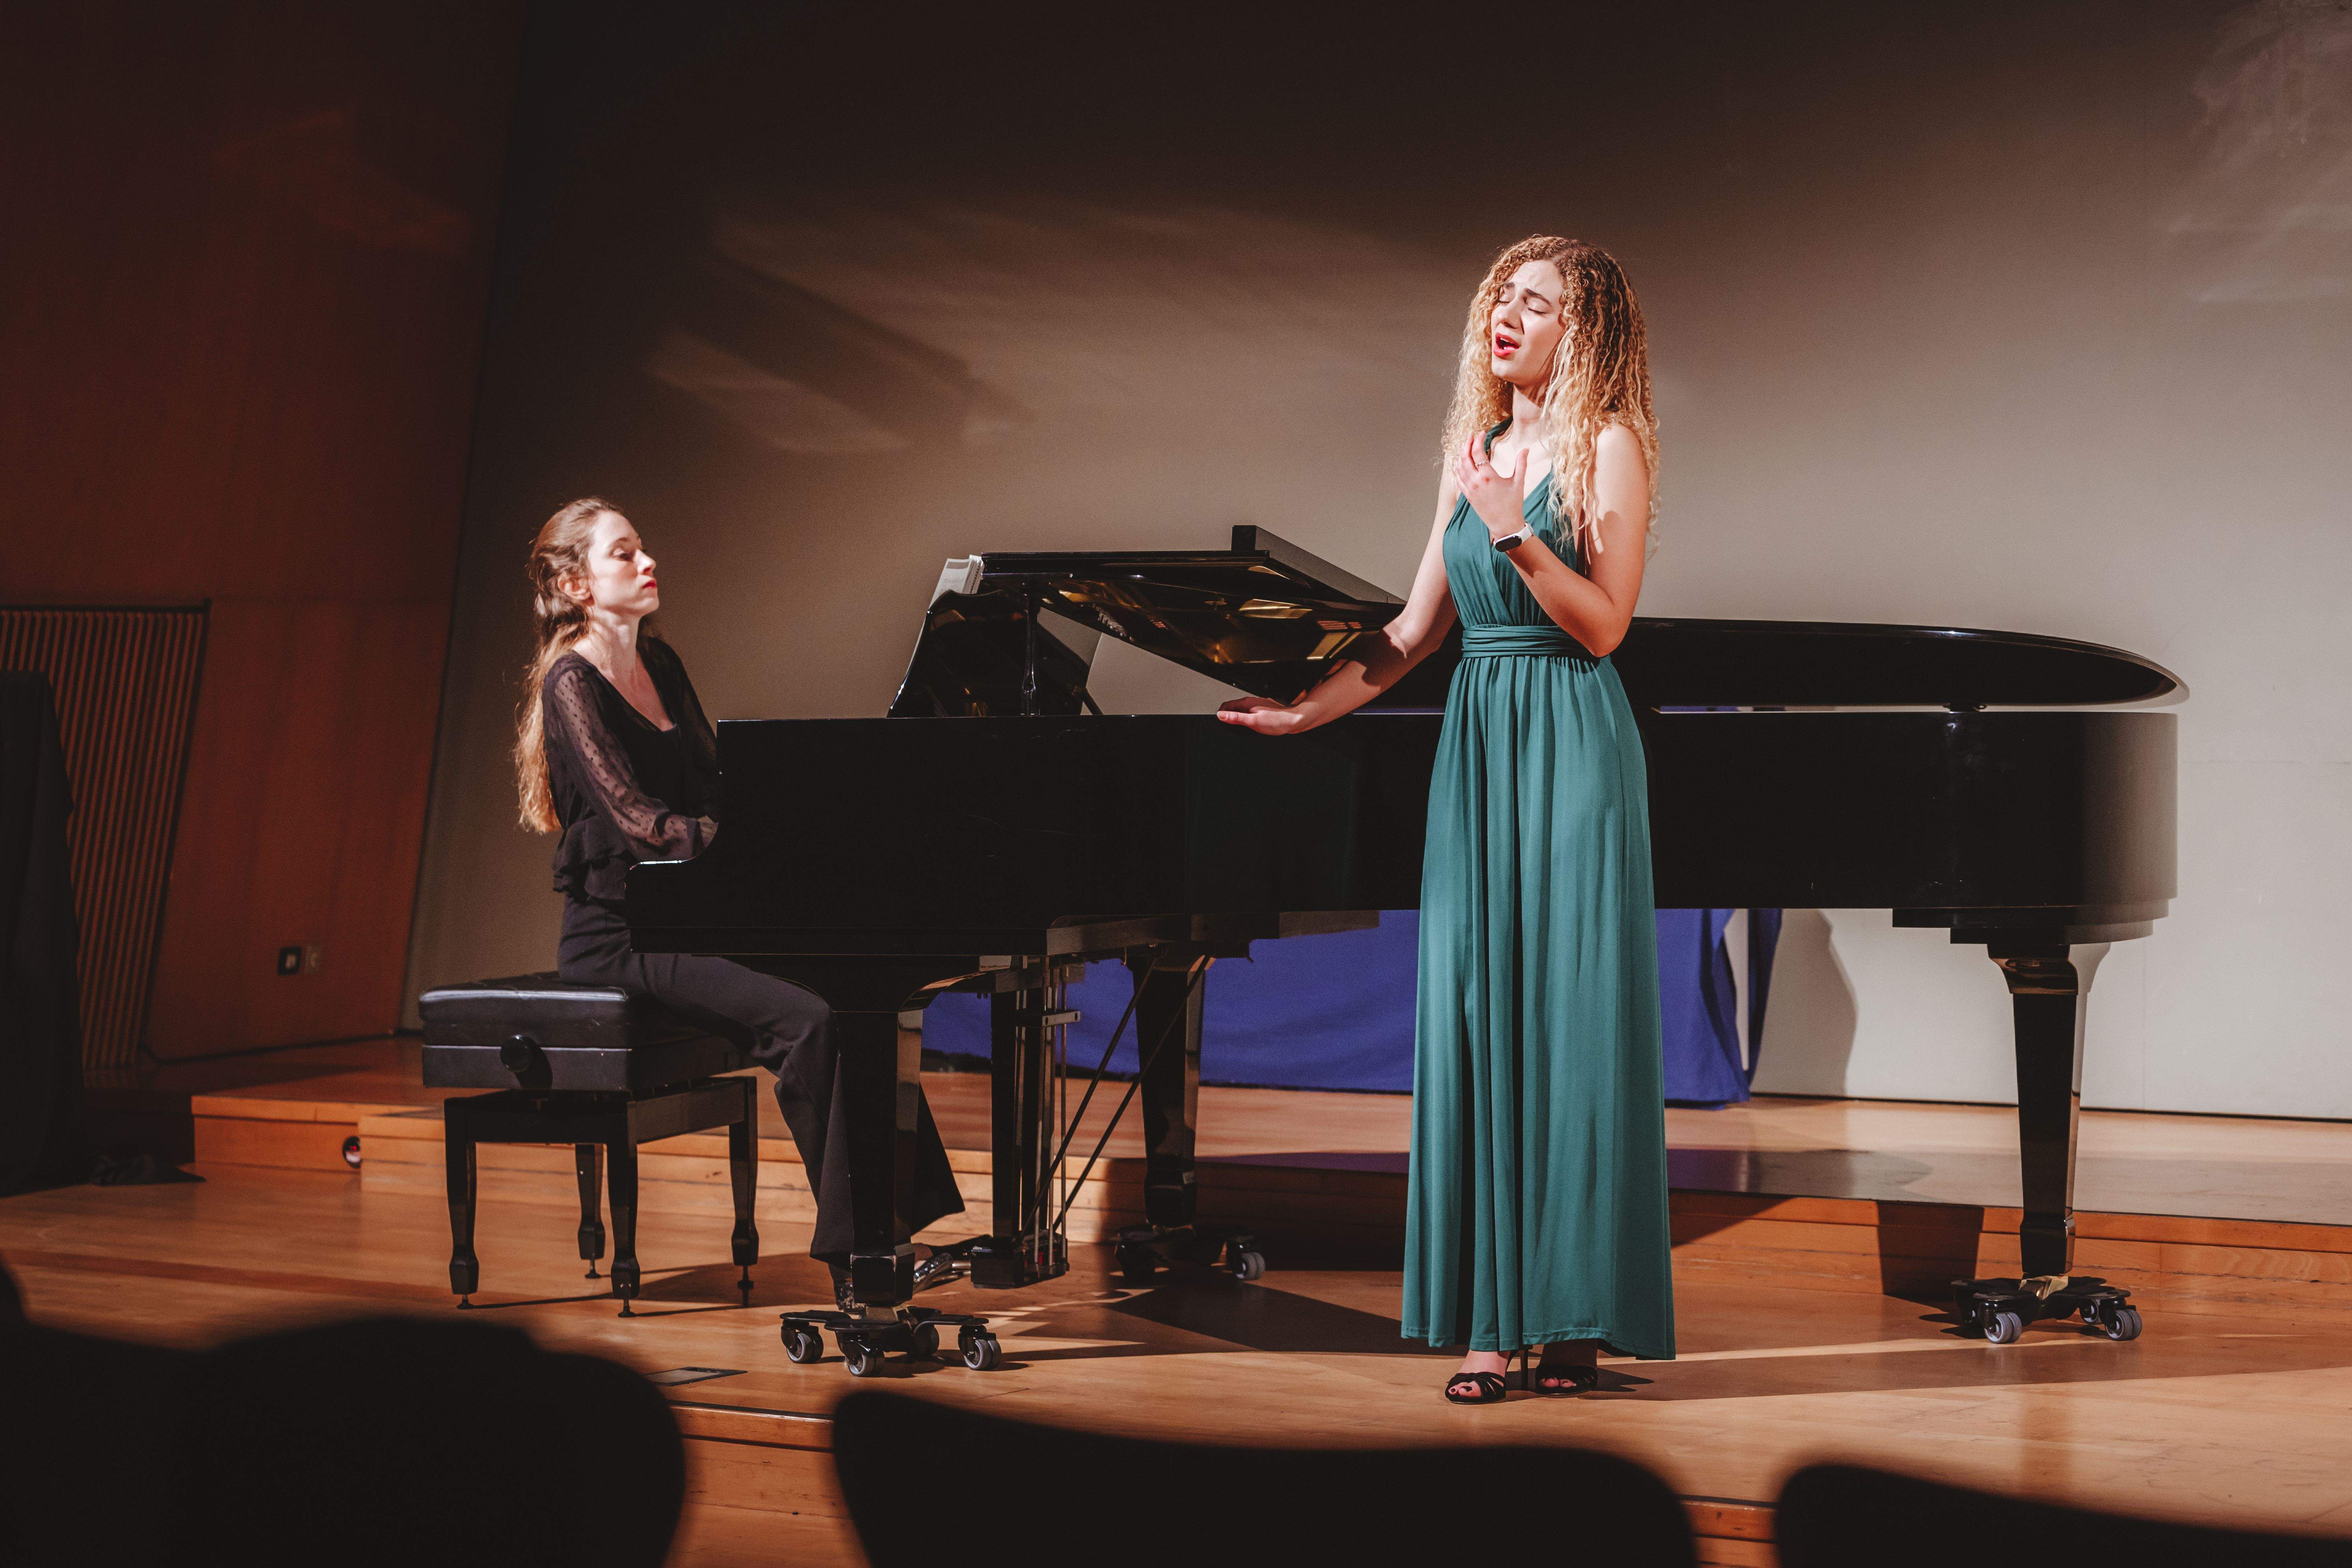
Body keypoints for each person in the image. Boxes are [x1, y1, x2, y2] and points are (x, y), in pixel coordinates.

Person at [1217, 237, 1673, 1400]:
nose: (1505, 318)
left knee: (1566, 1016)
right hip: (1479, 739)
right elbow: (1413, 632)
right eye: (1499, 300)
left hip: (1570, 738)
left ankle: (1570, 1317)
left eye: (1535, 303)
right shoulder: (1473, 453)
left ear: (1584, 330)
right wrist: (1301, 712)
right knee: (1476, 1012)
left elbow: (1606, 624)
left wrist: (1516, 530)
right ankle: (1486, 1319)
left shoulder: (1604, 445)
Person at [511, 498, 963, 1306]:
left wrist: (787, 830)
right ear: (578, 584)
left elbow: (718, 785)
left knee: (853, 998)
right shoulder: (570, 682)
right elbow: (637, 821)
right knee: (810, 1020)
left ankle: (896, 1222)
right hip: (620, 935)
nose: (648, 563)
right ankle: (859, 1259)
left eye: (644, 548)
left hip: (686, 913)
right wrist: (733, 844)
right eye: (624, 554)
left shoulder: (664, 663)